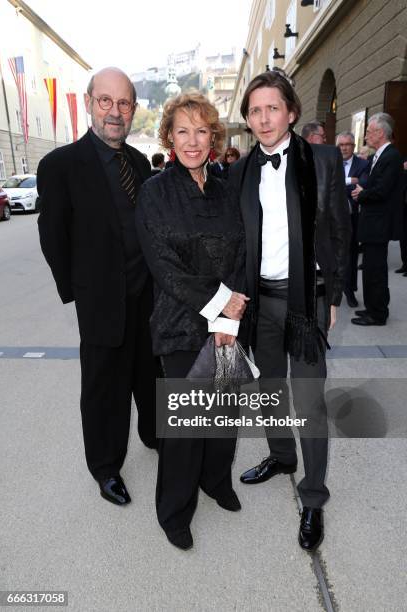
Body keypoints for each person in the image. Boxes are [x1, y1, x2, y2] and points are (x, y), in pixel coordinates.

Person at [229, 70, 349, 552]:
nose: (263, 118)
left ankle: (314, 498)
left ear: (291, 112)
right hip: (260, 300)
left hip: (308, 299)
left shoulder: (321, 160)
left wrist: (335, 297)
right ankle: (281, 456)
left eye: (272, 108)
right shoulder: (239, 170)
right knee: (269, 386)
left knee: (309, 399)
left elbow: (340, 231)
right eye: (255, 110)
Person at [37, 67, 158, 506]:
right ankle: (106, 467)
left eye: (124, 103)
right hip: (102, 301)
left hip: (149, 299)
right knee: (104, 389)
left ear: (133, 110)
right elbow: (53, 237)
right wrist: (80, 293)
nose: (115, 111)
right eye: (105, 100)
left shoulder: (141, 164)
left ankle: (154, 434)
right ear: (89, 101)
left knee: (150, 375)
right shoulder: (60, 166)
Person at [135, 92, 247, 551]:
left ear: (214, 135)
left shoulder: (226, 188)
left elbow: (244, 248)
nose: (193, 140)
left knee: (224, 411)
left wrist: (234, 309)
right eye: (183, 130)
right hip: (181, 321)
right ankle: (174, 510)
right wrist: (221, 304)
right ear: (169, 137)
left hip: (230, 318)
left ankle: (216, 481)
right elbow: (164, 266)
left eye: (202, 130)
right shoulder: (155, 192)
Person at [351, 113, 404, 325]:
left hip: (379, 224)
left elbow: (382, 190)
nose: (365, 136)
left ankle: (378, 313)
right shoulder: (379, 155)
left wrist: (361, 193)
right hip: (373, 223)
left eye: (369, 132)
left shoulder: (391, 156)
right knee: (371, 269)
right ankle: (372, 307)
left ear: (380, 133)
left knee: (376, 271)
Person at [336, 131, 369, 307]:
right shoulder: (331, 161)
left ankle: (349, 291)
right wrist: (350, 180)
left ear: (353, 146)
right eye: (341, 145)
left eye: (347, 144)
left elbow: (363, 181)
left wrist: (341, 182)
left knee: (350, 256)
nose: (344, 148)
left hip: (352, 218)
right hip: (331, 219)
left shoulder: (362, 163)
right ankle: (332, 292)